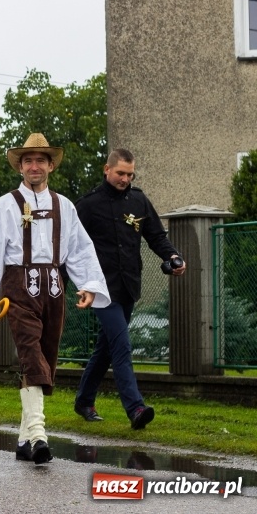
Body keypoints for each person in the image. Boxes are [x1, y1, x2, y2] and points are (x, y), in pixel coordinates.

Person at [0, 133, 110, 465]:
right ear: (20, 166)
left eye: (41, 160)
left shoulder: (65, 206)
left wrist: (88, 284)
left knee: (47, 356)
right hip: (18, 284)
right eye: (28, 160)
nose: (35, 166)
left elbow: (79, 249)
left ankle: (22, 440)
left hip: (55, 287)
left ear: (50, 166)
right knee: (31, 354)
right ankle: (38, 434)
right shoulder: (7, 203)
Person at [73, 148, 186, 429]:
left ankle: (84, 401)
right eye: (121, 173)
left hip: (129, 285)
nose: (125, 178)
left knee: (107, 347)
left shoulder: (139, 200)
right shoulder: (87, 205)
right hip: (100, 289)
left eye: (130, 174)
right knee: (122, 345)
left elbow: (157, 236)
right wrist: (80, 283)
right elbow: (70, 247)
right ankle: (135, 408)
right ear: (107, 169)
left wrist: (171, 257)